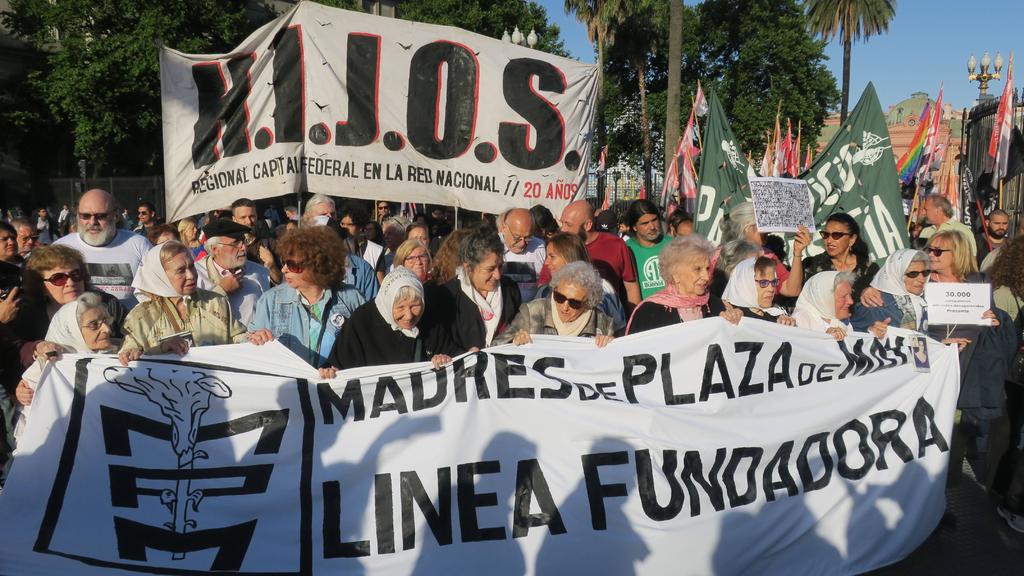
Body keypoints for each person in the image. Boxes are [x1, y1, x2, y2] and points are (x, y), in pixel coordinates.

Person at [247, 227, 365, 372]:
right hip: (291, 389)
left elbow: (367, 346)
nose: (284, 269)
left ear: (317, 265)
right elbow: (249, 345)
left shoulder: (351, 297)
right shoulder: (270, 300)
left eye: (291, 265)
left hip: (337, 388)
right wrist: (254, 338)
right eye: (283, 262)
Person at [118, 241, 247, 365]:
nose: (191, 275)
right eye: (181, 271)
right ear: (160, 276)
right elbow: (128, 356)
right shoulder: (141, 317)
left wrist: (253, 338)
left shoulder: (215, 302)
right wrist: (161, 348)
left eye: (191, 266)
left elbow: (237, 338)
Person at [12, 292, 118, 444]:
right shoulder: (48, 368)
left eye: (106, 320)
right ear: (71, 330)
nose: (107, 329)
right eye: (94, 324)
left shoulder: (124, 353)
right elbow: (31, 431)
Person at [325, 267, 451, 371]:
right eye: (400, 307)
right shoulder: (361, 322)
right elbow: (338, 365)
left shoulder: (431, 319)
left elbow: (453, 354)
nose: (409, 315)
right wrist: (331, 373)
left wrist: (444, 358)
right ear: (387, 303)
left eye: (415, 306)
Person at [54, 189, 151, 309]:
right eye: (85, 216)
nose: (93, 222)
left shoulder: (138, 244)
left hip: (130, 325)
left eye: (101, 216)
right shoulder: (61, 248)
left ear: (116, 215)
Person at [626, 235, 742, 334]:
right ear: (675, 274)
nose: (706, 277)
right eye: (697, 269)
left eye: (707, 268)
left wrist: (737, 317)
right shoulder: (649, 312)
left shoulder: (716, 305)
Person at [13, 244, 125, 342]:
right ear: (41, 287)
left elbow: (135, 339)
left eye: (76, 274)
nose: (70, 282)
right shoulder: (29, 318)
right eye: (58, 278)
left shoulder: (109, 305)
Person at [437, 229, 522, 352]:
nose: (497, 275)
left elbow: (518, 327)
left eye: (500, 266)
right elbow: (441, 345)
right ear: (468, 267)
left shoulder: (510, 289)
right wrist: (465, 356)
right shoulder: (447, 296)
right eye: (490, 269)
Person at [495, 261, 615, 347]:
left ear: (589, 303)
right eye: (559, 297)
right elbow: (496, 347)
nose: (565, 306)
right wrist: (514, 342)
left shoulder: (603, 324)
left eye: (574, 303)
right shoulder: (531, 312)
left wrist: (610, 346)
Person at [990, 235, 1024, 531]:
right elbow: (1005, 339)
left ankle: (1002, 487)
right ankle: (1007, 496)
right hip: (1014, 374)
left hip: (1014, 374)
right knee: (1016, 438)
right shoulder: (1004, 294)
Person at [559, 200, 641, 307]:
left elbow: (631, 288)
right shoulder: (558, 246)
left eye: (568, 225)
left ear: (588, 225)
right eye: (562, 223)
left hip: (607, 319)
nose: (563, 229)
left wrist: (633, 320)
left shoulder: (616, 245)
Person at [719, 201, 809, 298]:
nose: (768, 231)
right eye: (763, 226)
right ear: (748, 228)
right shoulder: (719, 255)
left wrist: (797, 253)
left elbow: (791, 290)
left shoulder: (768, 256)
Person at [539, 232, 626, 332]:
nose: (546, 262)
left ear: (569, 257)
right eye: (559, 297)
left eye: (552, 256)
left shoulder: (603, 288)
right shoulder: (544, 291)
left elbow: (620, 328)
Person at [195, 219, 271, 327]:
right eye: (235, 243)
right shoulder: (196, 275)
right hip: (216, 342)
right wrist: (221, 291)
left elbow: (269, 314)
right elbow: (193, 315)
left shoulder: (259, 272)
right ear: (215, 249)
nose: (244, 248)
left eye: (244, 241)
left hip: (253, 341)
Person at [801, 213, 879, 300]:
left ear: (852, 239)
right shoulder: (812, 265)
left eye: (836, 235)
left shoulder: (869, 269)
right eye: (826, 235)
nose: (829, 240)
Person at [850, 249, 929, 333]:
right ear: (896, 274)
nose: (921, 279)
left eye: (925, 273)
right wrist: (870, 332)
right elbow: (852, 337)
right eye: (913, 274)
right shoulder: (874, 304)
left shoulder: (929, 300)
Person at [721, 257, 796, 325]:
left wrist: (786, 325)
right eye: (763, 283)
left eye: (774, 282)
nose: (771, 289)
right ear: (745, 284)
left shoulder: (777, 315)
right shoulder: (731, 315)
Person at [625, 200, 672, 300]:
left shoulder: (674, 245)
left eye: (654, 220)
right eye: (645, 223)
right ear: (634, 227)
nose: (652, 227)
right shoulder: (626, 249)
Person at [790, 271, 858, 340]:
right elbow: (798, 348)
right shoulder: (800, 320)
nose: (851, 301)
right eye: (843, 297)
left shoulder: (843, 321)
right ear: (824, 298)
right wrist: (826, 338)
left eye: (850, 295)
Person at [500, 208, 546, 301]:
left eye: (527, 238)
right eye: (517, 237)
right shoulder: (490, 246)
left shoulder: (540, 247)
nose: (522, 244)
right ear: (504, 228)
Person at [233, 197, 282, 285]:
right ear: (234, 219)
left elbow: (280, 281)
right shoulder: (228, 247)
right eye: (243, 217)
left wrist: (271, 265)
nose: (248, 221)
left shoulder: (270, 244)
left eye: (252, 216)